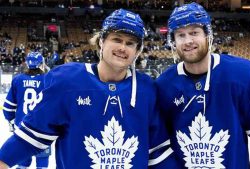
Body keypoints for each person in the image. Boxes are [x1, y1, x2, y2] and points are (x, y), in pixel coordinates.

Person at [0, 9, 175, 169]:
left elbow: (158, 153)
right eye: (117, 39)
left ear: (137, 51)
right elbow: (30, 137)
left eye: (130, 43)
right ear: (101, 42)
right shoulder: (68, 81)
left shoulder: (146, 90)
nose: (122, 48)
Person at [155, 3, 250, 169]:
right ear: (173, 41)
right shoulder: (163, 85)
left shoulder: (243, 73)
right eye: (181, 35)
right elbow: (159, 146)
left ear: (208, 34)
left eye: (194, 33)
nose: (188, 41)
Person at [2, 51, 51, 169]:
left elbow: (8, 107)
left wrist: (11, 121)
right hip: (42, 129)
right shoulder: (48, 80)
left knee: (23, 163)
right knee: (42, 162)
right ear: (41, 64)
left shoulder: (18, 80)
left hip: (22, 128)